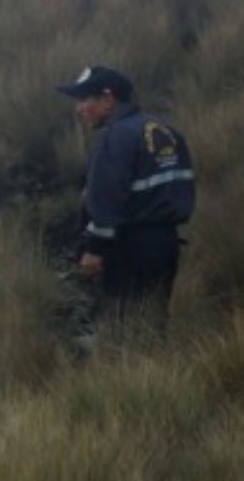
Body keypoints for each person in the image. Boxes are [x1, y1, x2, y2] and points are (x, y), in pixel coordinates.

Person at [55, 64, 196, 324]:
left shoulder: (116, 137)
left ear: (108, 99)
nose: (79, 109)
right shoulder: (168, 131)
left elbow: (106, 200)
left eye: (84, 99)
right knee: (154, 320)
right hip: (165, 246)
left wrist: (94, 249)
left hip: (128, 251)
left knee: (124, 329)